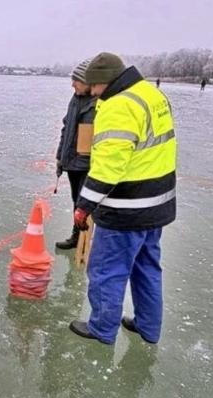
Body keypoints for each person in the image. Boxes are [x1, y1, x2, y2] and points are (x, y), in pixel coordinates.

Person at [70, 52, 177, 345]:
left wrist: (83, 207)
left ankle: (102, 329)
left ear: (106, 81)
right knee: (147, 268)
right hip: (157, 205)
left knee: (106, 270)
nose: (91, 92)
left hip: (127, 208)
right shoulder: (151, 94)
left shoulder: (118, 105)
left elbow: (108, 168)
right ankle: (148, 326)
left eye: (94, 86)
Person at [54, 58, 96, 249]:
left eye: (76, 81)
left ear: (88, 82)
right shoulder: (75, 99)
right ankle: (77, 236)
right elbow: (66, 127)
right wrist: (60, 155)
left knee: (84, 202)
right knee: (76, 200)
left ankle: (83, 240)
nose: (72, 84)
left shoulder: (97, 103)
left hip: (86, 164)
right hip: (71, 161)